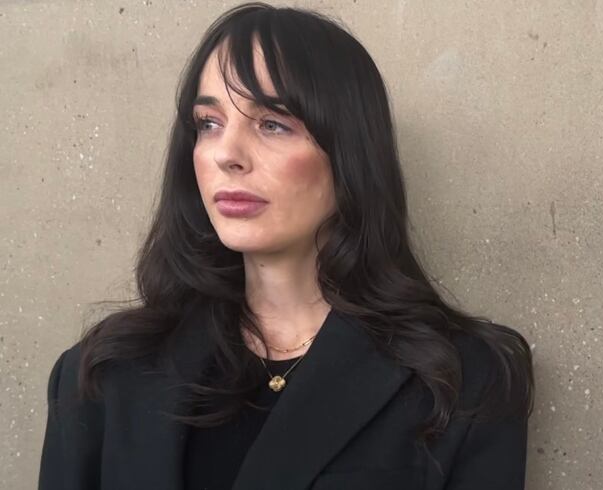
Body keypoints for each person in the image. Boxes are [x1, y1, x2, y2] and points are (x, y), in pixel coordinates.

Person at [37, 2, 534, 489]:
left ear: (349, 153)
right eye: (208, 124)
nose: (226, 154)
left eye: (272, 124)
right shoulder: (101, 375)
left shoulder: (465, 379)